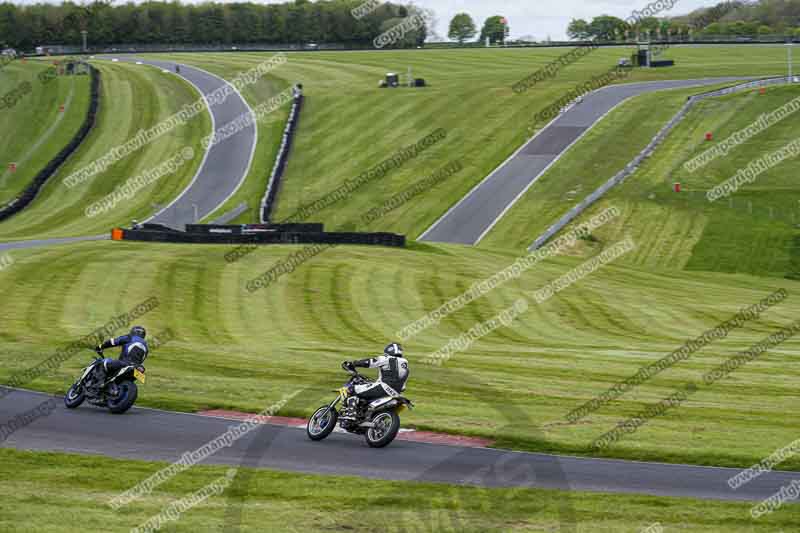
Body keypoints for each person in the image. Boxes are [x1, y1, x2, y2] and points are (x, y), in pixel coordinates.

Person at [342, 343, 409, 403]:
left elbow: (369, 362)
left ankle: (350, 413)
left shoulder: (387, 358)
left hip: (384, 387)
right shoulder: (404, 364)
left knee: (351, 389)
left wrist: (353, 364)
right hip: (397, 393)